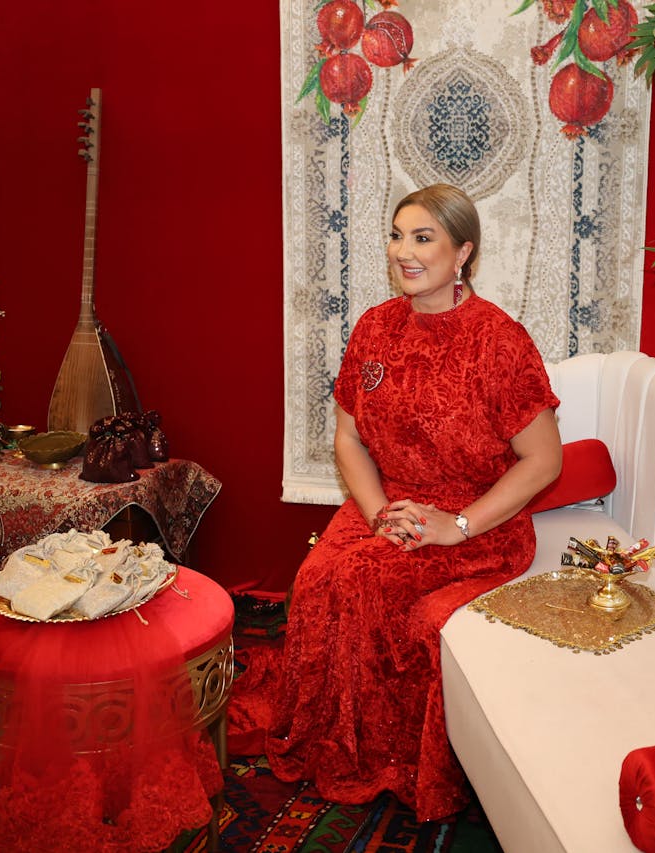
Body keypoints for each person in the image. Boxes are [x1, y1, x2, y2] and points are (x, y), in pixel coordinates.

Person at [234, 183, 562, 821]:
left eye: (423, 238)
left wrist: (457, 526)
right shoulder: (376, 327)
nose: (403, 252)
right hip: (386, 504)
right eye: (396, 235)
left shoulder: (499, 341)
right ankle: (328, 745)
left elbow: (545, 461)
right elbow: (348, 438)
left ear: (463, 251)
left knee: (361, 580)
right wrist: (382, 511)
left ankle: (389, 762)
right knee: (320, 575)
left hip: (476, 523)